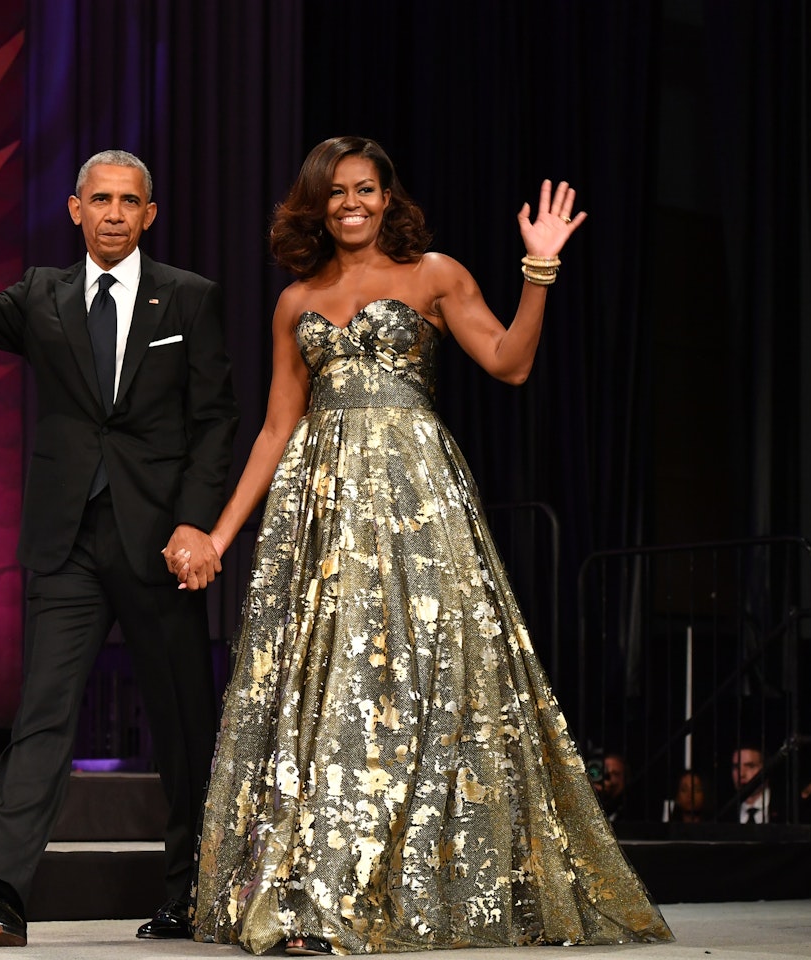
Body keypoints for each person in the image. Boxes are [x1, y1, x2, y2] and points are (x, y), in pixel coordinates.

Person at [178, 136, 673, 954]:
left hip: (415, 504)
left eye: (366, 189)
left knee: (426, 684)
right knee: (329, 695)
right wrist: (223, 535)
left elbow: (509, 363)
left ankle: (410, 885)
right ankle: (316, 899)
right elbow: (275, 428)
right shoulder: (295, 299)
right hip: (323, 515)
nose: (352, 205)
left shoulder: (434, 273)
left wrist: (537, 270)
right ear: (315, 202)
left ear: (386, 195)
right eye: (336, 192)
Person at [0, 120, 239, 946]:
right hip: (66, 546)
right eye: (101, 200)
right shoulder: (41, 296)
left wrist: (197, 523)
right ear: (74, 209)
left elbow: (217, 422)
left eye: (130, 201)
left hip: (160, 543)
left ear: (150, 215)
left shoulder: (187, 297)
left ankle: (189, 893)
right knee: (42, 718)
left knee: (185, 727)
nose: (115, 213)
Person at [730, 745, 777, 824]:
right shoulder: (726, 813)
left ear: (766, 769)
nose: (741, 774)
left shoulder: (786, 808)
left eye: (750, 766)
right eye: (736, 767)